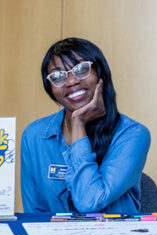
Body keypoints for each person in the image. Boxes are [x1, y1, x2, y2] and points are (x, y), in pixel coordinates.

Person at [20, 38, 150, 213]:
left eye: (81, 69)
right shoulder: (34, 136)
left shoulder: (132, 134)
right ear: (49, 87)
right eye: (58, 76)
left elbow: (89, 202)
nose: (71, 81)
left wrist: (78, 124)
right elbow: (33, 215)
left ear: (100, 74)